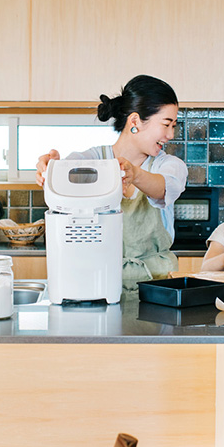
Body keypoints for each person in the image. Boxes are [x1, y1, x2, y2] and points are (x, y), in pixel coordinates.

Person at [36, 74, 188, 289]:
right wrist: (51, 168)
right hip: (99, 279)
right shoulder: (94, 160)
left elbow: (162, 188)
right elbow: (66, 172)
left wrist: (135, 174)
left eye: (174, 125)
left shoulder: (169, 165)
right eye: (166, 124)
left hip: (157, 284)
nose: (171, 134)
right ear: (134, 121)